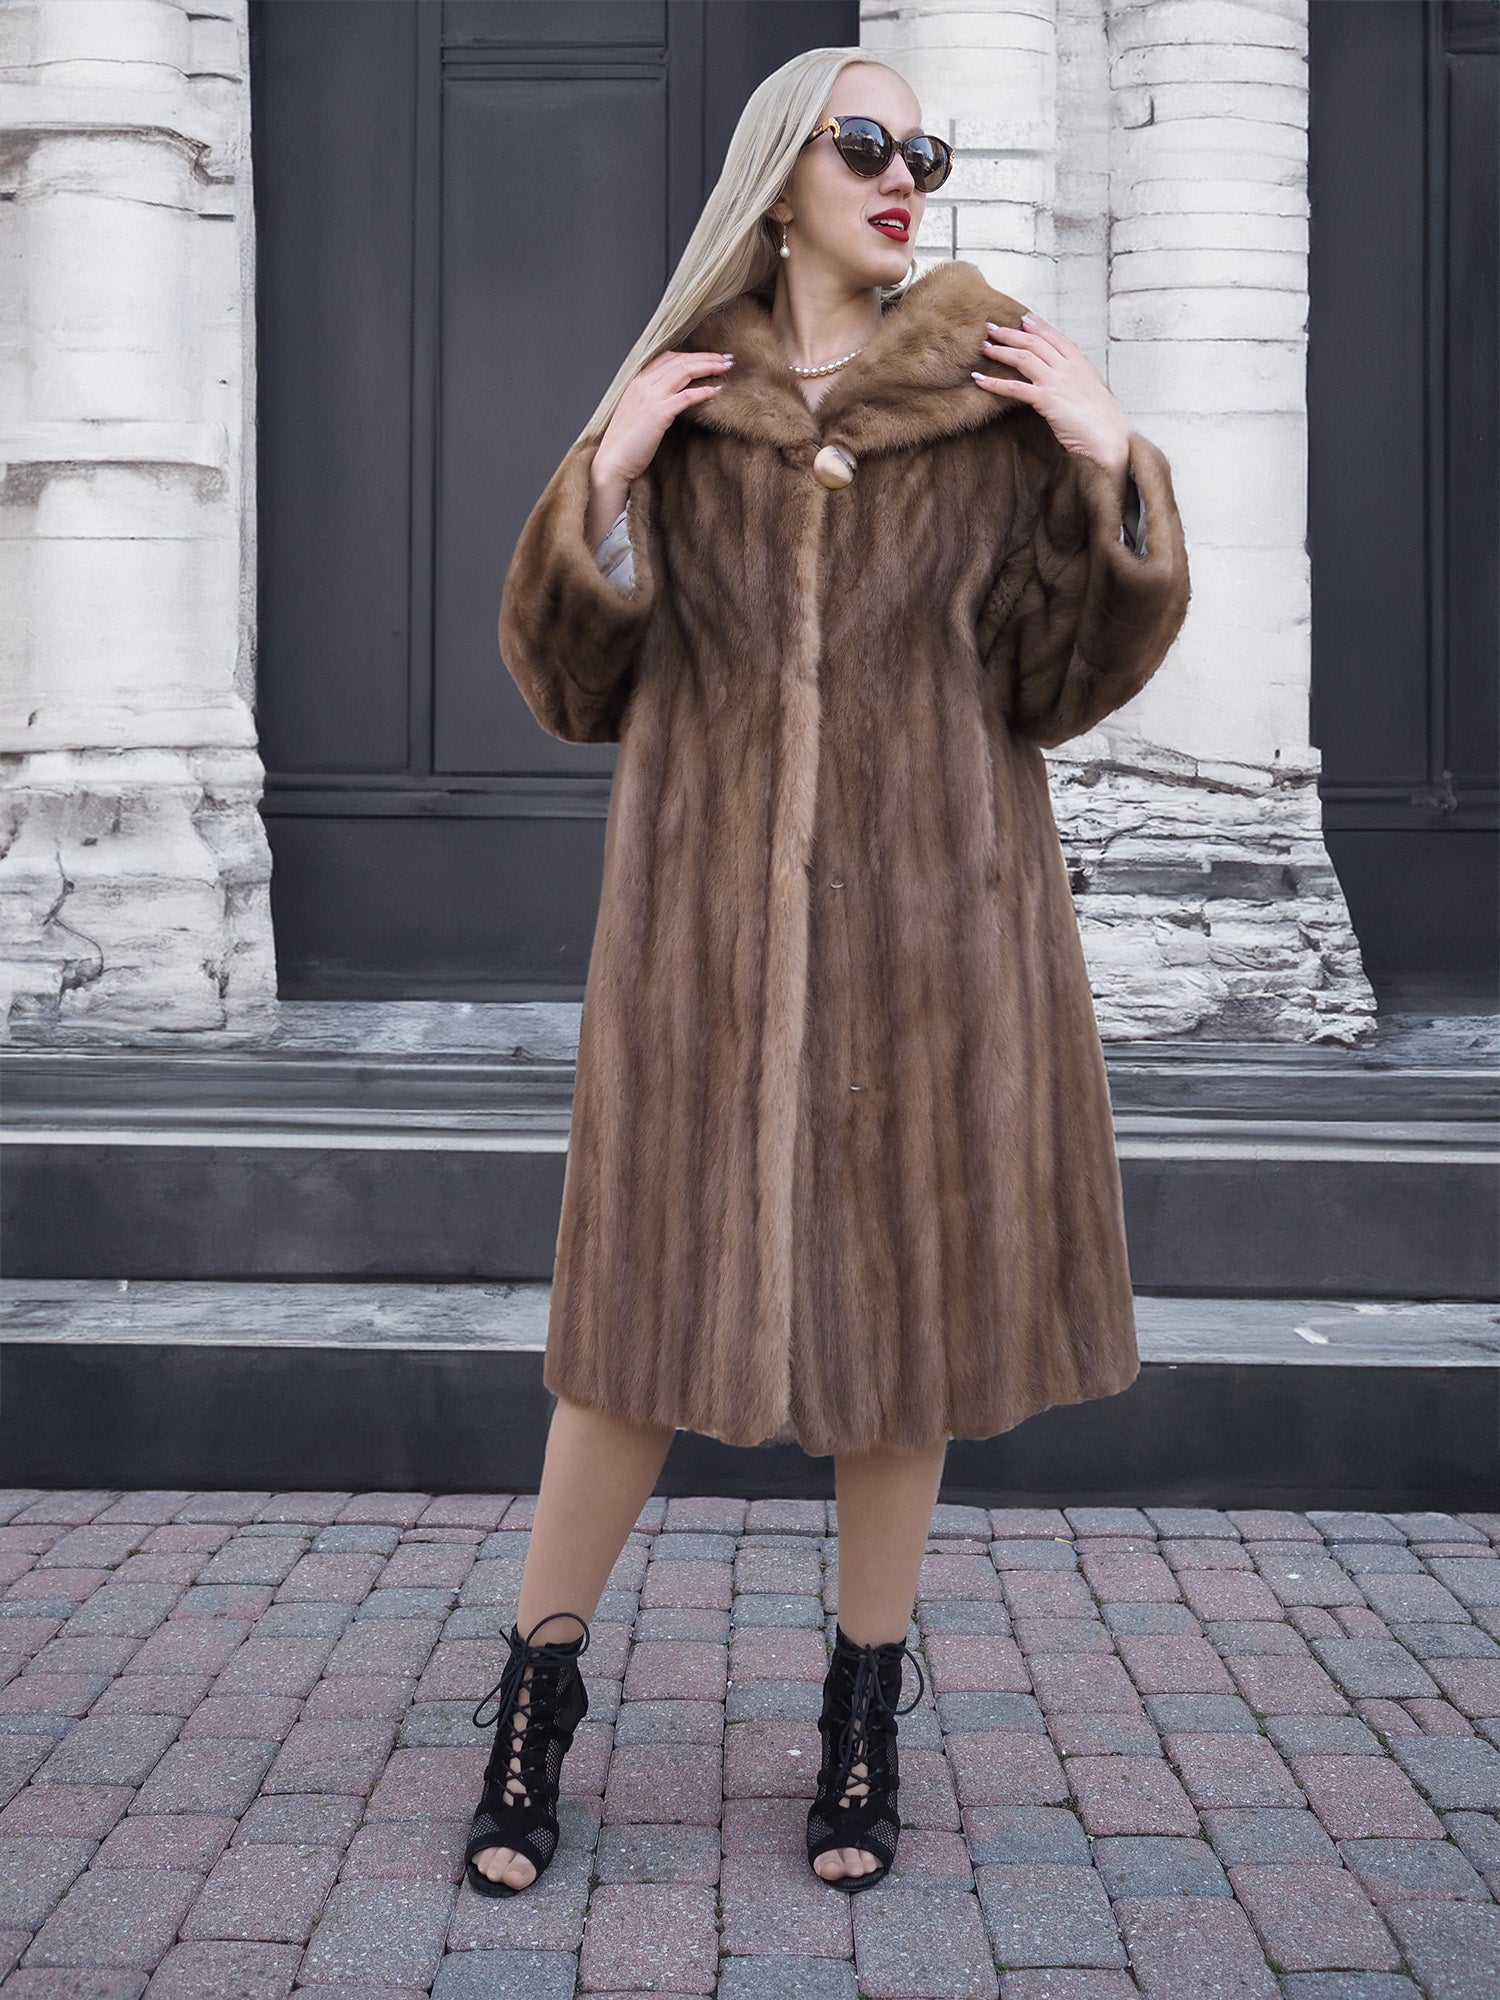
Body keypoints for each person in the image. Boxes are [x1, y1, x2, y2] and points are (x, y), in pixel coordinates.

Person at [468, 46, 1190, 1903]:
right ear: (778, 172)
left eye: (922, 152)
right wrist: (606, 487)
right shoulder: (684, 402)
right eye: (864, 144)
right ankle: (534, 1706)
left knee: (902, 1348)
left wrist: (1115, 473)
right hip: (703, 954)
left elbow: (1050, 685)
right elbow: (571, 689)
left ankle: (863, 1719)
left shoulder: (995, 400)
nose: (901, 178)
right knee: (625, 1344)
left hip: (936, 941)